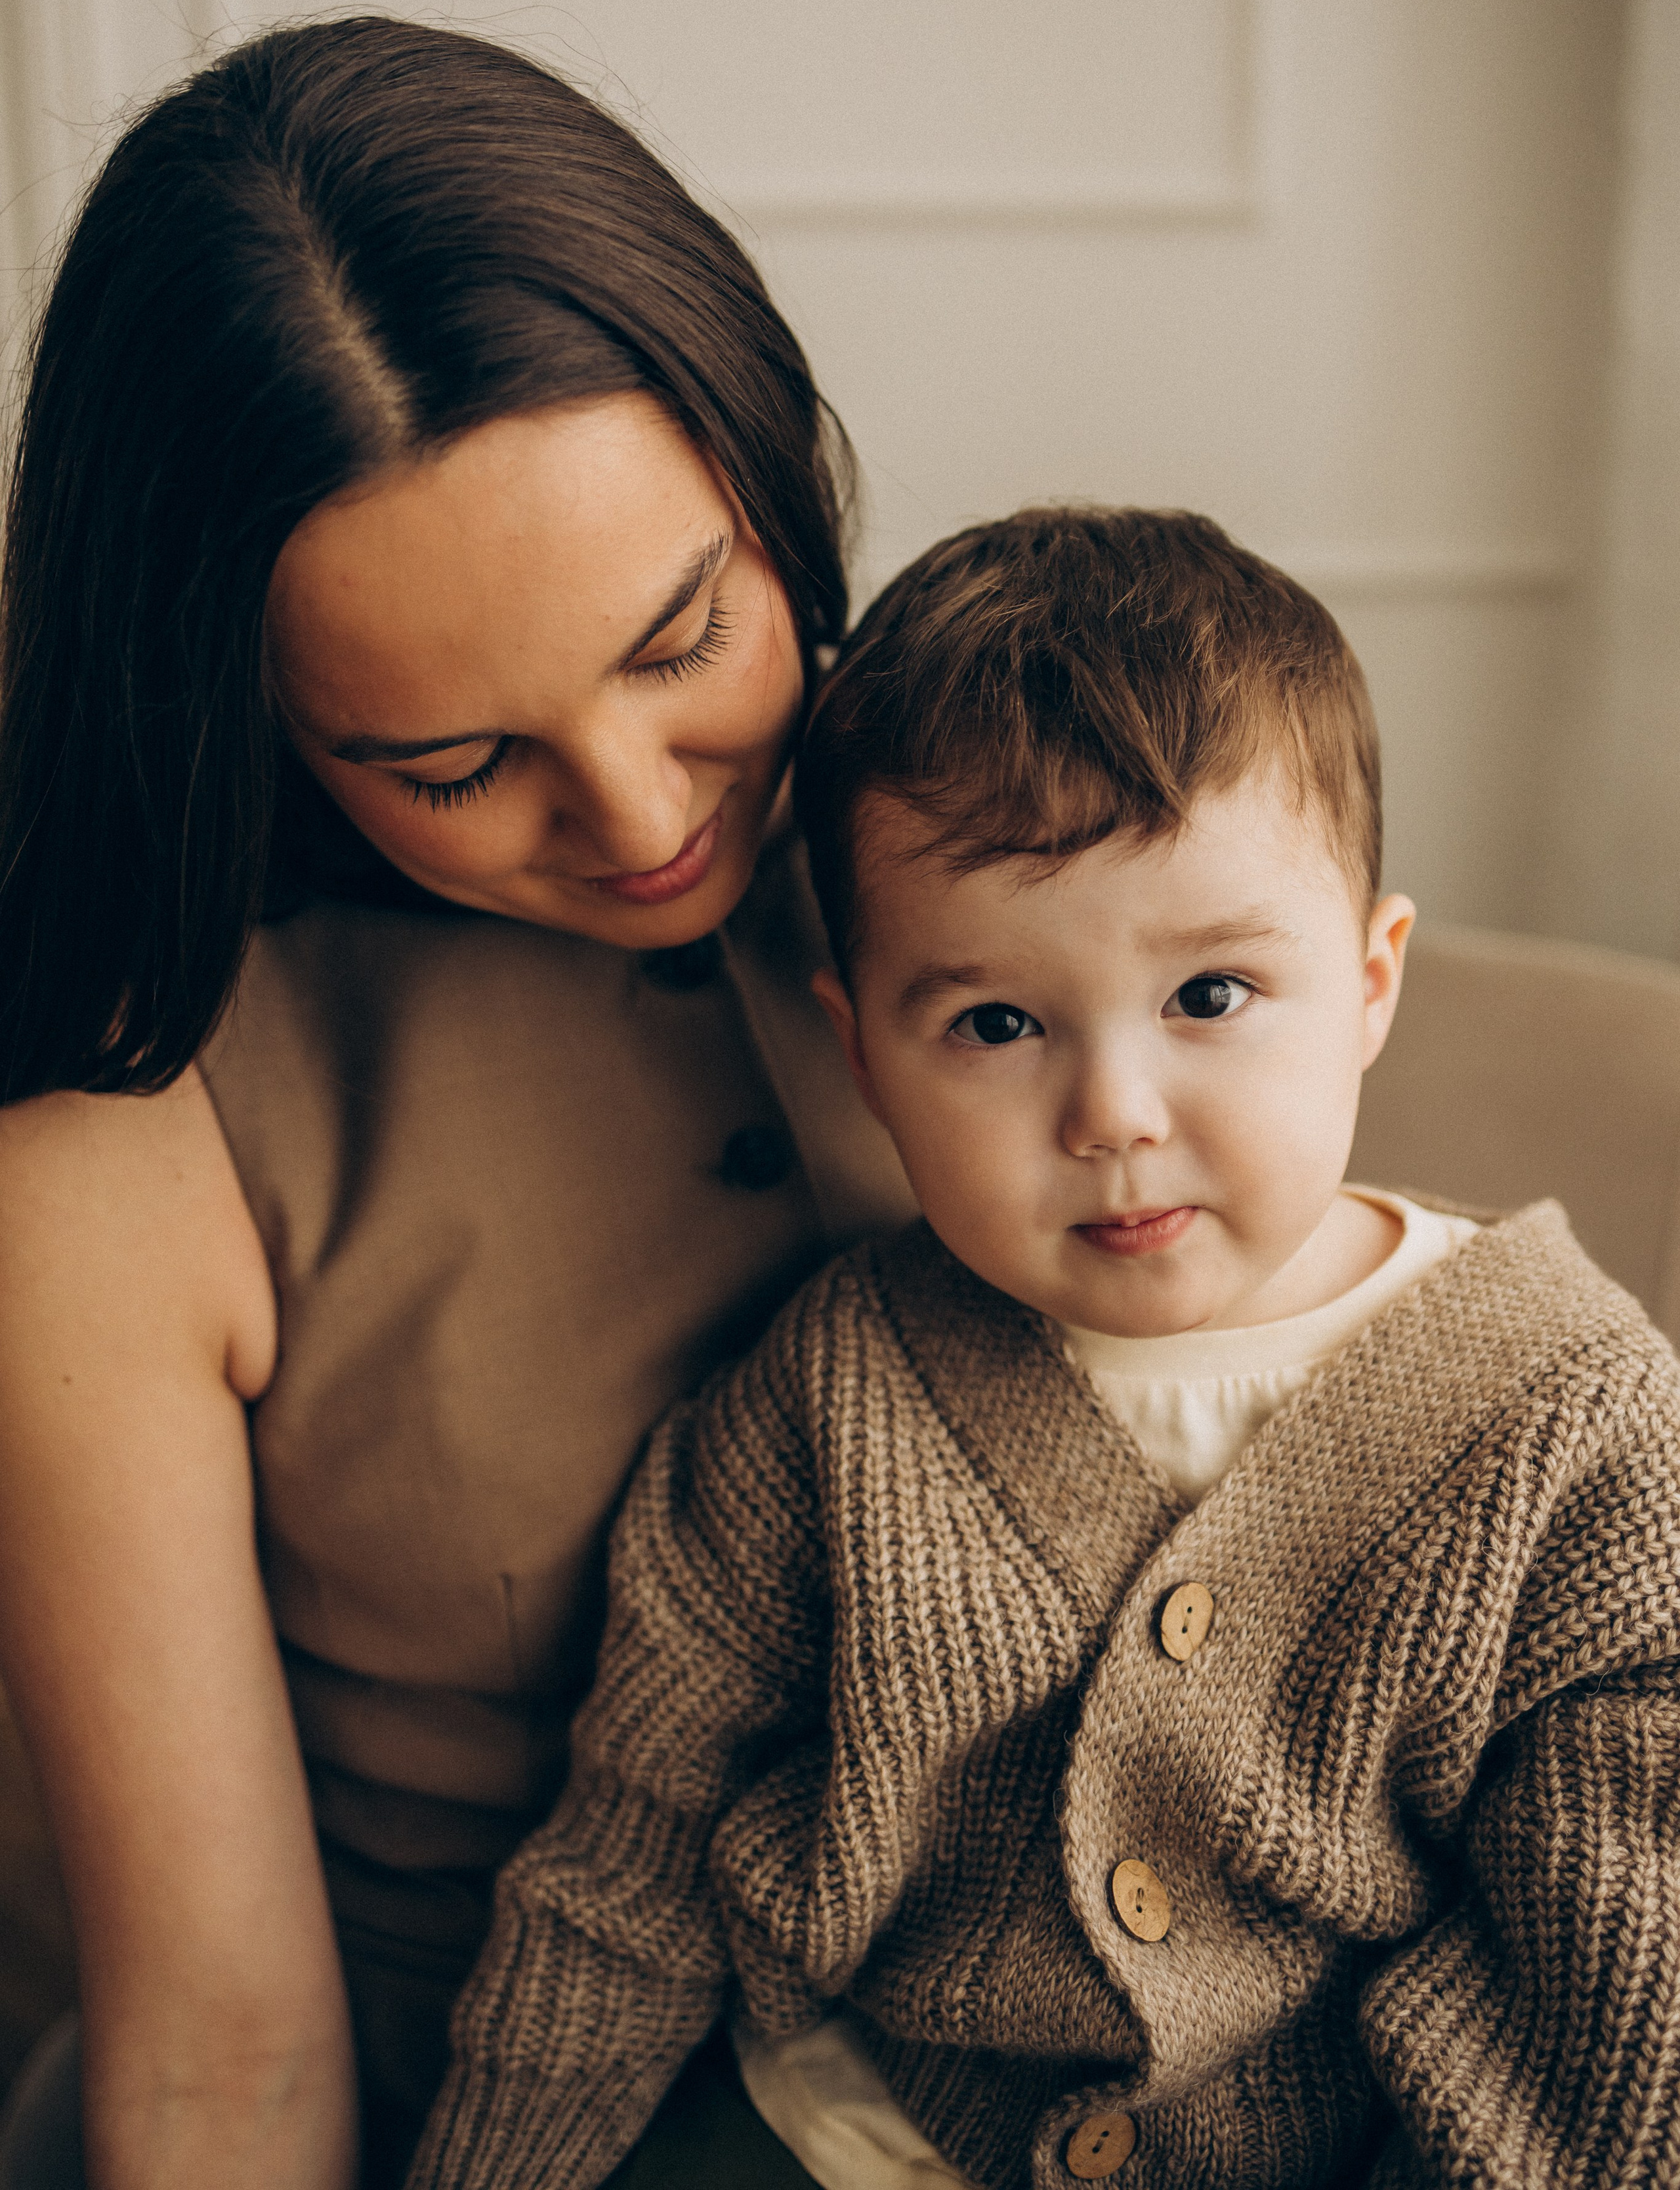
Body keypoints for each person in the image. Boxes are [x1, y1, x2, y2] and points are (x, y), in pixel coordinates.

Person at [408, 507, 1680, 2190]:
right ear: (862, 1050)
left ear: (1370, 982)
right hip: (833, 2126)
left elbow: (1599, 2019)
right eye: (995, 1025)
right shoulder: (828, 1395)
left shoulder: (1582, 1435)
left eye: (1210, 996)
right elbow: (626, 1872)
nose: (1112, 1116)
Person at [0, 16, 914, 2190]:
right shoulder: (124, 1138)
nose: (634, 820)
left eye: (685, 640)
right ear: (253, 727)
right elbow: (227, 2051)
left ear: (769, 463)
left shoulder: (1000, 799)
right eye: (453, 764)